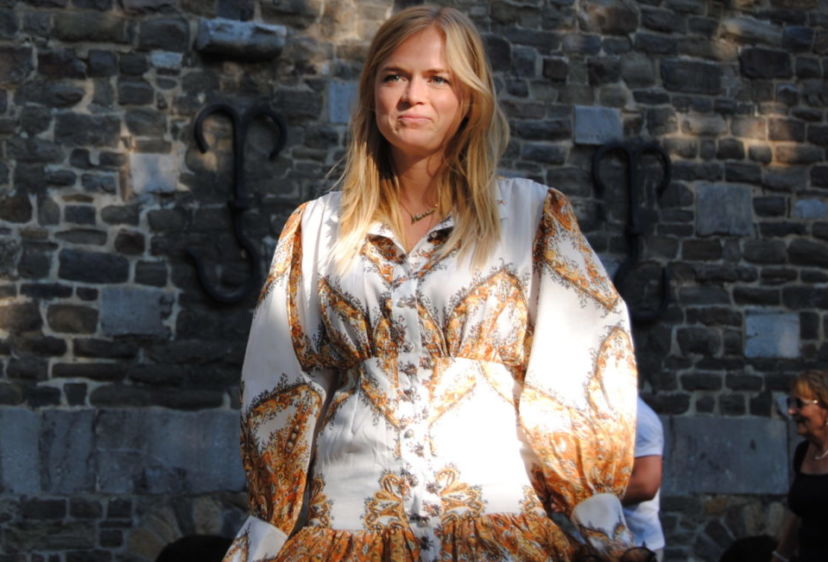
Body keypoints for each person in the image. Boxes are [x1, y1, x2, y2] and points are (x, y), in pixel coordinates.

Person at [222, 5, 641, 561]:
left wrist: (601, 524)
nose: (412, 96)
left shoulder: (531, 217)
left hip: (496, 531)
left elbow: (576, 367)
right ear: (373, 94)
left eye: (437, 79)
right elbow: (280, 383)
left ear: (469, 98)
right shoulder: (319, 228)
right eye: (395, 76)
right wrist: (268, 529)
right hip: (348, 534)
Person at [773, 370, 828, 562]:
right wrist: (779, 557)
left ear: (825, 407)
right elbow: (799, 516)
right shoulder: (803, 453)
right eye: (790, 403)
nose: (791, 411)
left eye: (799, 403)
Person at [622, 398, 665, 561]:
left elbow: (645, 486)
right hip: (592, 543)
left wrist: (579, 500)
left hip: (635, 547)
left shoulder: (640, 417)